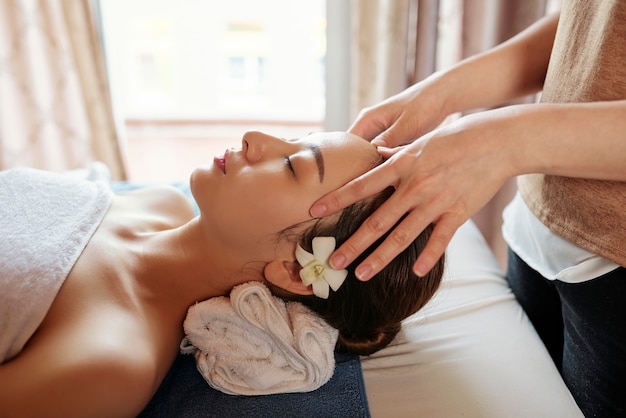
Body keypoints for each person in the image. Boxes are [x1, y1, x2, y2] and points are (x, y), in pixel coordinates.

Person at [310, 2, 626, 416]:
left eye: (293, 163)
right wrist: (443, 92)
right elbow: (593, 25)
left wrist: (502, 141)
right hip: (538, 226)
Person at [0, 130, 444, 417]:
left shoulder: (110, 360)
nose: (256, 138)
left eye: (293, 166)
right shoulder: (160, 204)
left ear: (295, 270)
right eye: (294, 139)